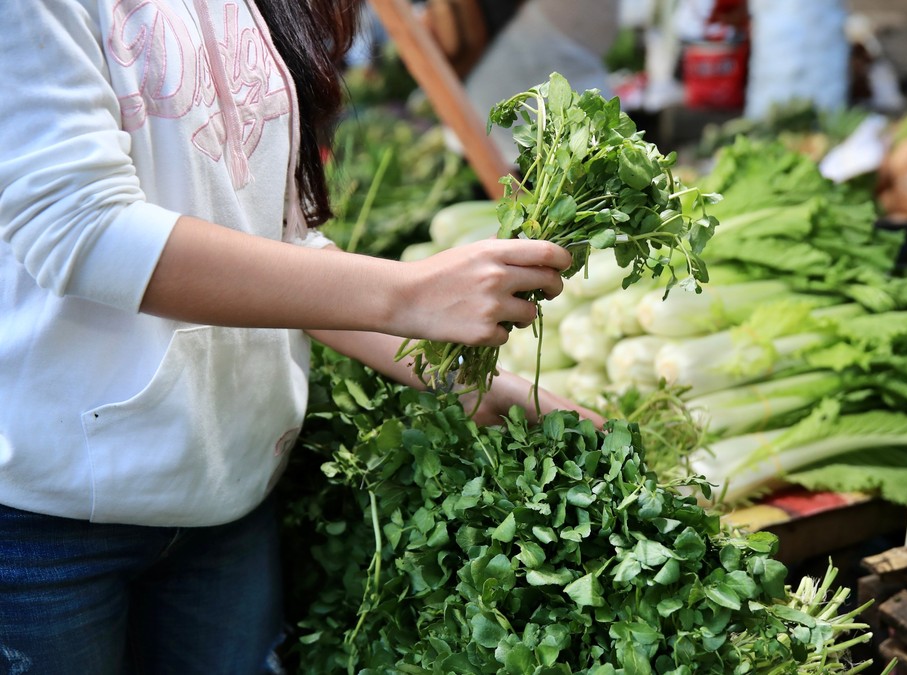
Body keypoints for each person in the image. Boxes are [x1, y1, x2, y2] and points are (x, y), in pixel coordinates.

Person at [0, 1, 601, 672]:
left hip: (232, 490)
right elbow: (80, 224)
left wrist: (452, 376)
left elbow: (278, 241)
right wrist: (409, 295)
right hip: (47, 517)